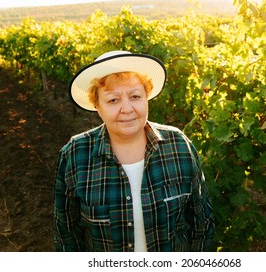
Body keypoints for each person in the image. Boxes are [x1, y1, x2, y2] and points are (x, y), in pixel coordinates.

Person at [53, 50, 214, 252]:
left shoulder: (179, 146)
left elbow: (202, 225)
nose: (127, 108)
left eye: (135, 96)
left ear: (147, 98)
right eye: (113, 100)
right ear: (97, 105)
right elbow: (67, 236)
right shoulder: (75, 155)